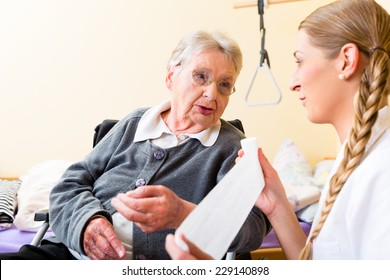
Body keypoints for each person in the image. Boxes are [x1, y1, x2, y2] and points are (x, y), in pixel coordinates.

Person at [0, 30, 270, 260]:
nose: (212, 93)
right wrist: (87, 222)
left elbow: (253, 227)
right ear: (170, 78)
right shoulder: (135, 123)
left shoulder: (231, 147)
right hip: (72, 255)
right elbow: (70, 184)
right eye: (201, 76)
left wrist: (183, 214)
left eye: (225, 85)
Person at [165, 0, 390, 260]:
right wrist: (278, 206)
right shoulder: (355, 161)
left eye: (300, 61)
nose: (293, 82)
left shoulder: (381, 170)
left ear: (346, 61)